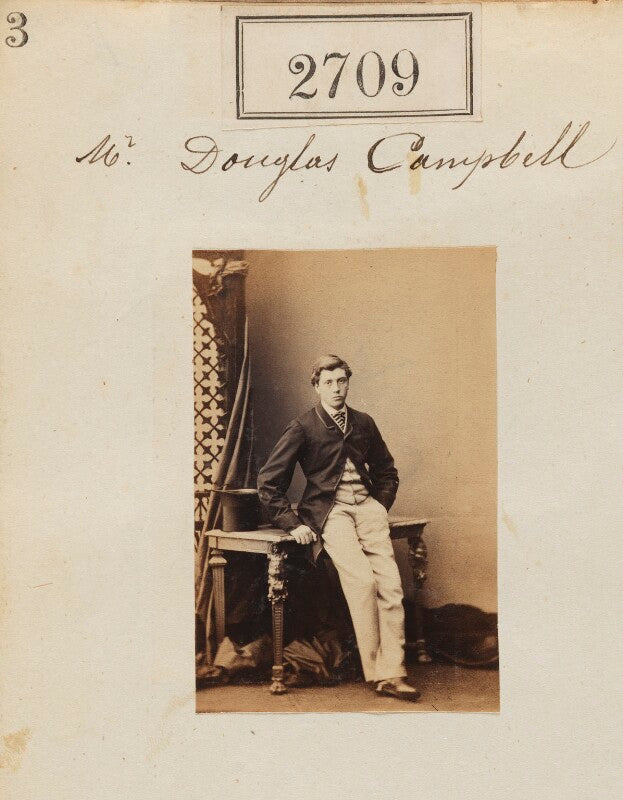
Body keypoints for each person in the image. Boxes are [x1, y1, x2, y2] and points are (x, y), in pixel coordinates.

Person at [257, 354, 420, 702]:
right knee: (363, 582)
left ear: (348, 383)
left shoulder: (364, 422)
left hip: (368, 510)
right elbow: (268, 483)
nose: (336, 388)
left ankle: (394, 672)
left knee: (391, 586)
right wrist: (292, 523)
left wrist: (379, 505)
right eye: (328, 382)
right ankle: (378, 672)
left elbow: (387, 471)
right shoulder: (303, 426)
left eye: (341, 381)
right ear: (316, 387)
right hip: (332, 513)